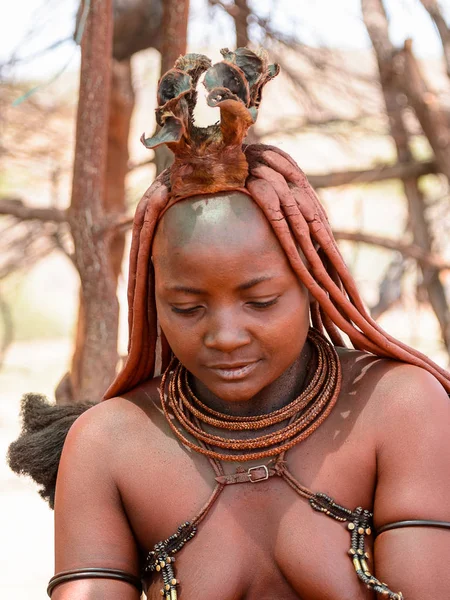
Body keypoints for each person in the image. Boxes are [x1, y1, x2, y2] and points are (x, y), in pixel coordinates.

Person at [9, 49, 450, 600]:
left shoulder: (397, 406)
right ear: (152, 301)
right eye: (188, 308)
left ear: (312, 285)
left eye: (260, 301)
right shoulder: (108, 446)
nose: (224, 336)